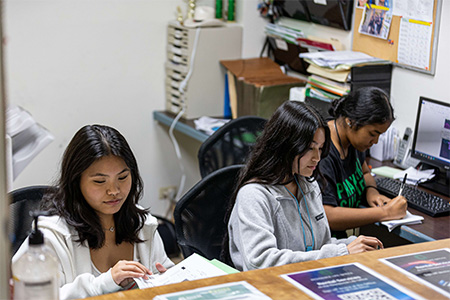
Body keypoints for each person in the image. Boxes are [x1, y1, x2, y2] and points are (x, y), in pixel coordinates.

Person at [12, 124, 174, 299]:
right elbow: (24, 295)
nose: (114, 190)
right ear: (76, 181)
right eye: (99, 181)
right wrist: (104, 283)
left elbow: (166, 270)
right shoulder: (52, 236)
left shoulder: (142, 225)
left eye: (122, 177)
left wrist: (166, 281)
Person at [223, 101, 383, 271]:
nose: (317, 158)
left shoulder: (308, 185)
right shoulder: (254, 195)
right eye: (309, 148)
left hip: (304, 278)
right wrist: (342, 252)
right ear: (285, 145)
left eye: (320, 149)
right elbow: (260, 262)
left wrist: (354, 245)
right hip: (267, 286)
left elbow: (319, 246)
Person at [318, 87, 407, 239]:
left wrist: (372, 191)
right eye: (373, 134)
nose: (376, 141)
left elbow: (365, 173)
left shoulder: (354, 143)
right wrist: (384, 213)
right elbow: (327, 215)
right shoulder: (322, 151)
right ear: (351, 122)